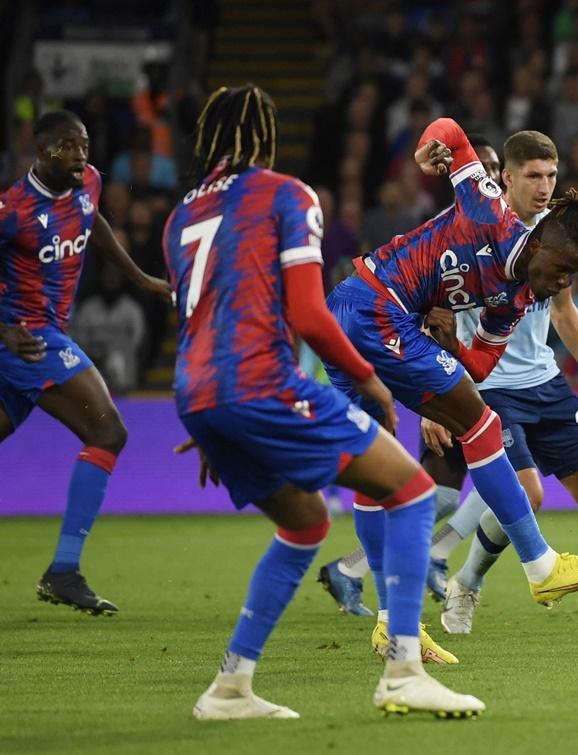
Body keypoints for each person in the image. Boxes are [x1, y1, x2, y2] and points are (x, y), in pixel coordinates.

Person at [165, 85, 483, 720]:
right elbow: (309, 312)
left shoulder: (182, 216)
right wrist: (366, 377)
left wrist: (211, 417)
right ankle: (402, 671)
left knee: (306, 521)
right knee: (415, 491)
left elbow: (199, 318)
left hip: (198, 392)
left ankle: (231, 687)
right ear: (264, 137)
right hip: (260, 380)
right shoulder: (289, 194)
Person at [320, 117, 578, 651]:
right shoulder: (489, 207)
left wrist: (449, 363)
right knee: (482, 424)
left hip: (354, 312)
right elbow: (450, 130)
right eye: (560, 270)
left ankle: (392, 625)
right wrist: (425, 151)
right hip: (374, 307)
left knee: (376, 469)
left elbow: (478, 368)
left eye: (570, 278)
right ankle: (541, 564)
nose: (560, 285)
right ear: (540, 245)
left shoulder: (519, 297)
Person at [0, 110, 170, 616]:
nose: (79, 156)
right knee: (108, 432)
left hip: (42, 335)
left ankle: (62, 572)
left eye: (84, 145)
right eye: (67, 147)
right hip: (29, 339)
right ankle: (64, 570)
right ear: (40, 149)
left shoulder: (89, 183)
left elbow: (91, 221)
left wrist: (141, 278)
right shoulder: (12, 209)